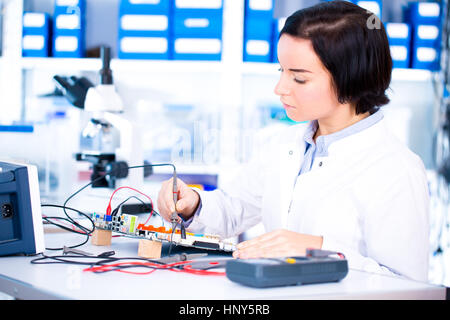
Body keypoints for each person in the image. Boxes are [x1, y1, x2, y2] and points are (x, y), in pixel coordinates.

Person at [157, 1, 430, 282]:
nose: (280, 88)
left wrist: (320, 249)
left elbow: (408, 285)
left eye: (298, 78)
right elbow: (235, 208)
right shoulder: (284, 142)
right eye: (281, 71)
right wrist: (193, 203)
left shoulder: (397, 170)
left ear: (352, 79)